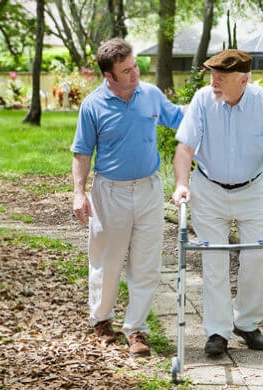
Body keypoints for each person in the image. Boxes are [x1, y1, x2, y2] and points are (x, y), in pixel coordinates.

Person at [172, 49, 263, 357]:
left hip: (253, 188)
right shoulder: (202, 100)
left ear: (243, 80)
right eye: (212, 75)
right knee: (215, 261)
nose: (213, 82)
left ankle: (247, 323)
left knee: (257, 258)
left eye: (221, 78)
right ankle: (217, 330)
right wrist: (182, 185)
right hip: (209, 188)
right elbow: (185, 149)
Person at [71, 38, 183, 356]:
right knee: (107, 262)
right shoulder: (92, 106)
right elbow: (82, 153)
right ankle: (101, 320)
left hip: (148, 189)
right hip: (110, 194)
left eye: (135, 66)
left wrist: (212, 109)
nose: (135, 74)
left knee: (146, 264)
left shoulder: (150, 95)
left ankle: (136, 330)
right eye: (126, 71)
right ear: (110, 76)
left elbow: (180, 120)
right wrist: (79, 194)